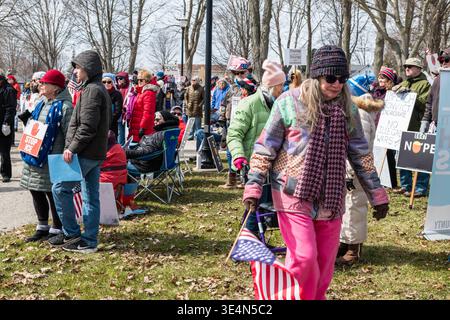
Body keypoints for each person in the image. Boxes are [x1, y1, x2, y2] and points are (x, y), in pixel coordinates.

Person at [242, 45, 389, 300]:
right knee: (304, 257)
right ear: (317, 75)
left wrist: (377, 195)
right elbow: (265, 147)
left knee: (323, 264)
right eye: (330, 78)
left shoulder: (348, 109)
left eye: (342, 79)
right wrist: (254, 185)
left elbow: (361, 155)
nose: (337, 84)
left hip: (331, 196)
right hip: (292, 193)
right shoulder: (288, 102)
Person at [50, 50, 111, 253]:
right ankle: (89, 241)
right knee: (90, 197)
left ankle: (72, 233)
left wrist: (71, 148)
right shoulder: (94, 88)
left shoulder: (93, 91)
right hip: (94, 153)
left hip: (86, 153)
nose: (75, 72)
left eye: (78, 67)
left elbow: (87, 127)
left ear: (89, 69)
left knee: (60, 189)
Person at [227, 60, 285, 233]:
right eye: (280, 87)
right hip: (253, 164)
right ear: (271, 86)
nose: (282, 90)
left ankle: (250, 236)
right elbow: (234, 134)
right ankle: (247, 243)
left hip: (275, 163)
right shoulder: (249, 104)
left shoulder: (280, 105)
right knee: (257, 205)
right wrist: (238, 157)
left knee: (264, 206)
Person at [20, 70, 73, 242]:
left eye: (44, 83)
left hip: (53, 157)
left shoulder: (65, 107)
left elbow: (69, 134)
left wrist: (67, 153)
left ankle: (56, 227)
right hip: (35, 154)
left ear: (56, 87)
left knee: (52, 192)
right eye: (40, 83)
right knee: (34, 188)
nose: (40, 85)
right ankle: (42, 225)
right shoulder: (41, 102)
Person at [337, 92, 384, 265]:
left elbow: (358, 148)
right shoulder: (352, 113)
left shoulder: (360, 116)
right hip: (348, 171)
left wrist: (349, 172)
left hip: (355, 172)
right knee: (346, 208)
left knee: (355, 209)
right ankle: (344, 242)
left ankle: (354, 248)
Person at [393, 57, 431, 197]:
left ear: (419, 69)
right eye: (405, 66)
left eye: (410, 66)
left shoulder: (425, 84)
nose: (407, 68)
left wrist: (410, 95)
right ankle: (406, 185)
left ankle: (420, 188)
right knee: (403, 157)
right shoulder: (403, 83)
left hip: (418, 126)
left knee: (420, 158)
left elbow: (426, 105)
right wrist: (393, 92)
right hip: (403, 126)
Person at [370, 66, 399, 189]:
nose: (381, 80)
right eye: (380, 77)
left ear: (389, 80)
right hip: (376, 124)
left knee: (389, 154)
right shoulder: (375, 91)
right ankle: (379, 177)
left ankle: (391, 181)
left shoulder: (392, 92)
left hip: (388, 125)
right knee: (377, 153)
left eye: (384, 78)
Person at [420, 47, 450, 134]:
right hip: (437, 125)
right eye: (441, 60)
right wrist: (425, 120)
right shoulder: (438, 79)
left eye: (447, 60)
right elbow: (430, 102)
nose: (443, 63)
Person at [128, 69, 158, 142]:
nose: (139, 82)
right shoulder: (140, 92)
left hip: (142, 129)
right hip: (135, 127)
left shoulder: (148, 93)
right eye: (138, 80)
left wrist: (142, 128)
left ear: (147, 81)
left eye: (141, 80)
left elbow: (148, 113)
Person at [0, 71, 17, 182]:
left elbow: (10, 108)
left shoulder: (9, 90)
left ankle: (6, 173)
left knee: (4, 151)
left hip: (3, 124)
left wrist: (6, 123)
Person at [102, 73, 123, 137]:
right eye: (104, 82)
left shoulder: (117, 94)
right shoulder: (99, 93)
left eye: (109, 82)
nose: (106, 84)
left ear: (113, 82)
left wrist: (108, 121)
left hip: (111, 125)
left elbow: (118, 111)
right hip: (100, 126)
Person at [115, 71, 130, 145]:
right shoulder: (117, 88)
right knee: (118, 132)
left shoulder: (129, 89)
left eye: (121, 78)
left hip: (124, 114)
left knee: (122, 132)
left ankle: (122, 146)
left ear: (125, 79)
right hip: (117, 113)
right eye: (117, 79)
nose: (119, 80)